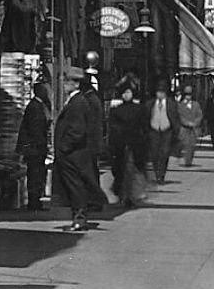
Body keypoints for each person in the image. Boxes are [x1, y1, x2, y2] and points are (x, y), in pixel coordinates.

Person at [53, 68, 106, 231]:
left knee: (76, 187)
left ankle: (79, 218)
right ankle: (78, 216)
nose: (63, 85)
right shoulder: (75, 100)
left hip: (73, 155)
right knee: (75, 186)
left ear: (74, 83)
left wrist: (63, 148)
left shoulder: (78, 102)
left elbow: (77, 130)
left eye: (66, 81)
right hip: (73, 154)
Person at [107, 75, 150, 207]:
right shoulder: (116, 110)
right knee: (120, 171)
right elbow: (112, 128)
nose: (126, 95)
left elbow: (145, 127)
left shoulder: (139, 109)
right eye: (124, 93)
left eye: (129, 92)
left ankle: (129, 195)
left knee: (131, 171)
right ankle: (122, 194)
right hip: (120, 145)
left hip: (134, 145)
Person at [16, 82, 51, 211]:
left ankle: (35, 201)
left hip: (35, 147)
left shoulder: (37, 105)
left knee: (36, 174)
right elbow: (36, 130)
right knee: (35, 174)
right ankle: (34, 202)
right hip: (34, 148)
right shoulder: (35, 107)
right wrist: (43, 146)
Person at [146, 79, 181, 184]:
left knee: (164, 154)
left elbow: (176, 117)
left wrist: (176, 131)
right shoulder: (150, 104)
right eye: (158, 92)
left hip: (167, 131)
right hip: (154, 131)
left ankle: (161, 175)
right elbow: (145, 117)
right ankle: (157, 173)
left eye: (162, 92)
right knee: (154, 154)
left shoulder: (171, 104)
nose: (160, 94)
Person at [176, 82, 204, 167]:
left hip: (194, 129)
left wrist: (195, 123)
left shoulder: (196, 105)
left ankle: (189, 160)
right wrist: (187, 123)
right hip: (184, 129)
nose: (189, 96)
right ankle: (187, 161)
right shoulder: (180, 105)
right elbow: (179, 116)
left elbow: (200, 115)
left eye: (190, 94)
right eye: (187, 94)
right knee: (186, 145)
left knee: (192, 145)